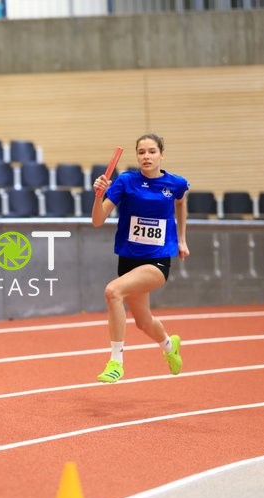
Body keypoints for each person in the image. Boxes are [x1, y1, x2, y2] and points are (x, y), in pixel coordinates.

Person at [91, 133, 189, 383]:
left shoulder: (175, 183)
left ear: (161, 155)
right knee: (143, 322)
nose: (146, 156)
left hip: (157, 260)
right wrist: (98, 195)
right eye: (141, 152)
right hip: (128, 260)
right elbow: (97, 220)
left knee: (113, 292)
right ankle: (170, 345)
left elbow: (180, 203)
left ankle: (116, 361)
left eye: (152, 151)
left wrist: (181, 239)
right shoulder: (125, 181)